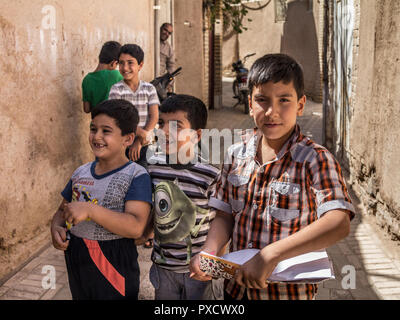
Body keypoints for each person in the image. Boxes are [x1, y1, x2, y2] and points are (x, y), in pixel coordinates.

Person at [189, 53, 356, 300]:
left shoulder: (315, 160)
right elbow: (225, 215)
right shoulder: (236, 154)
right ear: (250, 103)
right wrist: (209, 250)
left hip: (288, 294)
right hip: (236, 289)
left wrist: (270, 255)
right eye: (262, 100)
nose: (271, 112)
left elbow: (338, 223)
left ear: (300, 105)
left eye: (284, 100)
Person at [50, 99, 153, 300]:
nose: (97, 136)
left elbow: (135, 227)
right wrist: (55, 229)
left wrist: (90, 210)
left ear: (128, 139)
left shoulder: (136, 175)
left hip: (112, 262)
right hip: (77, 257)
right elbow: (62, 212)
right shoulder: (80, 173)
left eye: (106, 131)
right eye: (93, 129)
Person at [141, 94, 220, 300]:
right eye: (161, 123)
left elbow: (221, 221)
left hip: (199, 271)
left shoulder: (210, 175)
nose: (165, 131)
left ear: (197, 135)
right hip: (163, 267)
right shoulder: (153, 168)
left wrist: (213, 262)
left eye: (176, 126)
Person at [108, 44, 160, 169]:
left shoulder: (149, 88)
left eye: (130, 63)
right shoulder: (116, 90)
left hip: (146, 144)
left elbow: (154, 117)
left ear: (140, 65)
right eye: (121, 63)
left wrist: (140, 140)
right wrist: (139, 133)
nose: (125, 68)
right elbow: (118, 118)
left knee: (145, 176)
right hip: (123, 144)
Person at [82, 41, 123, 113]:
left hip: (96, 121)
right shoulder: (117, 76)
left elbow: (87, 109)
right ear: (114, 63)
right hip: (113, 122)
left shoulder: (87, 79)